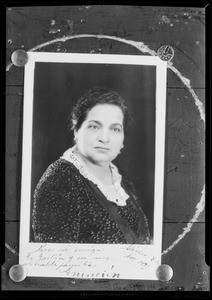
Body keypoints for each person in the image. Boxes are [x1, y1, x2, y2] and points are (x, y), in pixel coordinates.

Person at [32, 87, 151, 244]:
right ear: (76, 130)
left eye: (115, 129)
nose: (104, 138)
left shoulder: (121, 179)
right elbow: (56, 263)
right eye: (94, 126)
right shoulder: (59, 181)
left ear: (122, 140)